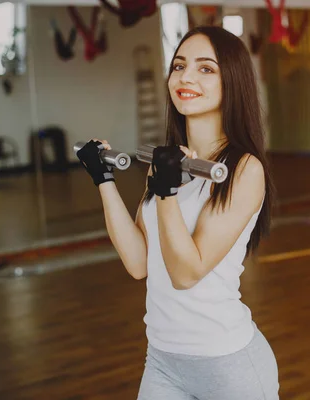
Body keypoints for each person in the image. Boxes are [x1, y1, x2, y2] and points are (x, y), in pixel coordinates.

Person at [76, 25, 279, 399]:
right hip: (164, 359)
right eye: (179, 65)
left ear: (232, 82)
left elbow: (186, 274)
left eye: (206, 68)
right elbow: (139, 262)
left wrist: (167, 191)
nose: (185, 77)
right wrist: (103, 179)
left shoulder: (244, 169)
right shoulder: (166, 161)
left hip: (227, 363)